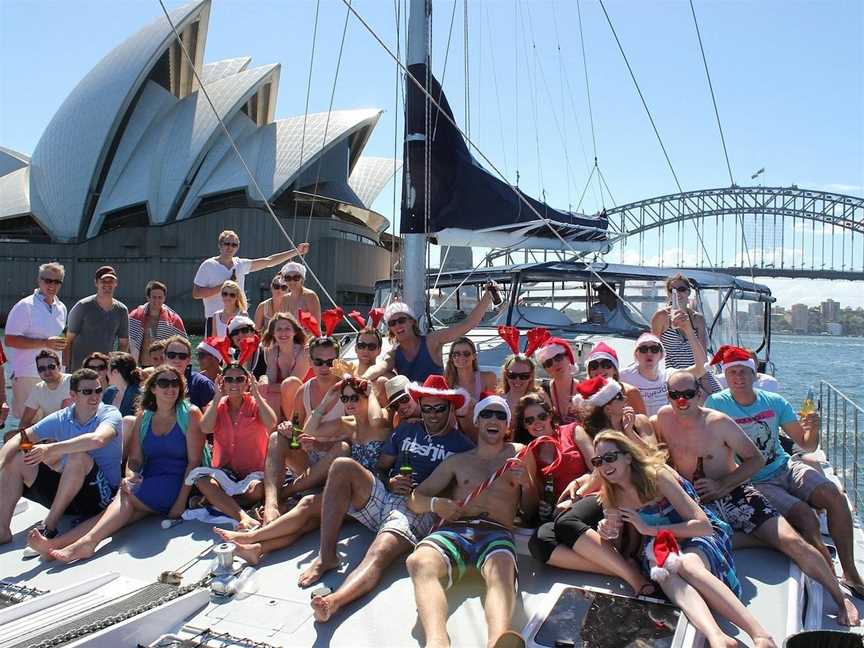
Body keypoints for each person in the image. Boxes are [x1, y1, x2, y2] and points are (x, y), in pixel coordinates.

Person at [655, 370, 858, 626]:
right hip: (698, 501)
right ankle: (759, 540)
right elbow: (647, 447)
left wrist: (721, 485)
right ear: (668, 396)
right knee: (697, 547)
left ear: (699, 394)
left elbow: (756, 459)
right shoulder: (662, 419)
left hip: (736, 493)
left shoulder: (719, 422)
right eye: (675, 395)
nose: (682, 400)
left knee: (792, 542)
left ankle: (840, 598)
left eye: (688, 394)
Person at [301, 375, 475, 623]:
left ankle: (334, 601)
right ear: (420, 407)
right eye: (427, 408)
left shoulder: (463, 446)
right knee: (342, 465)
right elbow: (381, 467)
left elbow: (462, 490)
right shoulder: (406, 429)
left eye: (440, 408)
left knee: (378, 552)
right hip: (386, 496)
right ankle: (327, 555)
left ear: (451, 408)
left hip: (418, 508)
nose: (433, 414)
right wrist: (389, 482)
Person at [704, 345, 864, 600]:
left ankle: (851, 572)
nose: (738, 377)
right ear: (725, 375)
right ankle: (828, 572)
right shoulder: (716, 403)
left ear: (754, 374)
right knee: (805, 516)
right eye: (732, 372)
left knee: (834, 495)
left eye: (744, 372)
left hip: (785, 466)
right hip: (753, 478)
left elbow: (807, 444)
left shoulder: (775, 402)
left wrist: (814, 426)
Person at [593, 431, 777, 648]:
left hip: (695, 532)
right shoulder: (611, 496)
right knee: (665, 574)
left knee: (687, 565)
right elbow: (617, 540)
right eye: (598, 461)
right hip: (660, 544)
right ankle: (717, 636)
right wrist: (606, 531)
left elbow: (702, 525)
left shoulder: (657, 477)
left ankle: (760, 634)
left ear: (628, 457)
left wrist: (648, 529)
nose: (604, 465)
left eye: (610, 458)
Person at [31, 366, 205, 563]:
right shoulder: (144, 416)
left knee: (122, 502)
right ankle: (62, 544)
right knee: (119, 511)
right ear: (153, 389)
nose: (171, 388)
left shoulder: (190, 413)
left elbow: (194, 462)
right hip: (150, 479)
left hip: (178, 482)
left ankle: (81, 543)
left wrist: (180, 503)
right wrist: (129, 476)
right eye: (164, 383)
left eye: (175, 383)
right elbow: (135, 459)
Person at [213, 376, 391, 565]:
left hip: (368, 493)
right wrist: (328, 398)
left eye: (354, 398)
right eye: (344, 398)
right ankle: (257, 549)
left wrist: (370, 391)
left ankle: (250, 537)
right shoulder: (348, 422)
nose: (348, 402)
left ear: (367, 397)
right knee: (308, 522)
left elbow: (376, 419)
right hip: (345, 488)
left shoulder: (382, 418)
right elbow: (310, 430)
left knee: (307, 504)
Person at [406, 394, 538, 648]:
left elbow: (530, 511)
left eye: (501, 415)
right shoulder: (459, 461)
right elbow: (415, 498)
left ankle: (498, 640)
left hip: (496, 531)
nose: (493, 419)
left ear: (507, 425)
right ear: (477, 421)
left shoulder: (520, 454)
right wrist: (437, 504)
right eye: (487, 414)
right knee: (418, 561)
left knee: (501, 568)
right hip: (455, 530)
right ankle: (437, 641)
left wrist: (527, 484)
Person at [519, 393, 654, 597]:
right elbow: (536, 493)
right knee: (540, 541)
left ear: (550, 415)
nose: (536, 423)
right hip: (562, 510)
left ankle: (635, 580)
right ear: (525, 426)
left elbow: (600, 467)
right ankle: (624, 568)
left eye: (541, 416)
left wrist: (578, 494)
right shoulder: (530, 451)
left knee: (566, 520)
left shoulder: (573, 431)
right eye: (529, 420)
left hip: (596, 494)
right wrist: (541, 504)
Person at [0, 368, 122, 544]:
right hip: (69, 495)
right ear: (73, 395)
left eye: (98, 390)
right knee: (18, 457)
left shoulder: (110, 414)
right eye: (87, 392)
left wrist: (50, 450)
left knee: (78, 457)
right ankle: (2, 530)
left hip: (101, 497)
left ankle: (49, 527)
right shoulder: (62, 417)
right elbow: (22, 437)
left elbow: (98, 440)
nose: (95, 396)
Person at [363, 284, 499, 383]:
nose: (397, 325)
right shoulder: (394, 354)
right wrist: (362, 380)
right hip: (410, 404)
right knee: (383, 378)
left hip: (436, 405)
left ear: (412, 322)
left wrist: (488, 296)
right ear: (390, 329)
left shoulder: (432, 341)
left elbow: (467, 324)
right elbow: (379, 367)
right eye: (392, 323)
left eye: (401, 320)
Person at [192, 229, 310, 320]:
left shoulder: (240, 264)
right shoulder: (208, 265)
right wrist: (224, 286)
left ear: (237, 247)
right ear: (220, 245)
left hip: (238, 318)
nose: (230, 247)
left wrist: (296, 251)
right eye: (227, 243)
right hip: (215, 318)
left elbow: (269, 261)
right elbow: (197, 293)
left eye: (234, 245)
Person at [4, 262, 67, 419]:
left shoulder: (62, 308)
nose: (52, 285)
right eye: (48, 280)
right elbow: (10, 340)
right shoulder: (25, 306)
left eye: (57, 281)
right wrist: (45, 343)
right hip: (27, 375)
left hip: (54, 376)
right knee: (26, 429)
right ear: (39, 281)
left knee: (52, 427)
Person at [650, 273, 720, 394]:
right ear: (669, 294)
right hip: (674, 374)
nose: (677, 293)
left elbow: (702, 354)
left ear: (688, 292)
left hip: (700, 372)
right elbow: (651, 349)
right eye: (672, 290)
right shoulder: (661, 317)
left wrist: (703, 380)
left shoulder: (697, 319)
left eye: (681, 289)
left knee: (720, 400)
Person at [619, 327, 706, 416]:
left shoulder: (670, 376)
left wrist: (689, 331)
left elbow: (701, 369)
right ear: (636, 354)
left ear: (661, 355)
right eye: (643, 349)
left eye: (654, 349)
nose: (649, 353)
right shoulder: (623, 376)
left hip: (663, 426)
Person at [65, 266, 129, 371]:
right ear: (96, 283)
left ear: (116, 284)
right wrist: (65, 367)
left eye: (111, 281)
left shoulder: (122, 310)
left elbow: (124, 343)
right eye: (103, 281)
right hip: (80, 369)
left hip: (104, 370)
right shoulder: (82, 306)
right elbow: (68, 339)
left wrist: (118, 367)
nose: (107, 284)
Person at [260, 312, 309, 420]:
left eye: (287, 328)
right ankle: (273, 432)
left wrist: (263, 387)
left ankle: (294, 428)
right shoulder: (272, 351)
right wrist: (263, 381)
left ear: (295, 331)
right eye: (279, 329)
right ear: (273, 333)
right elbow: (271, 378)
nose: (283, 333)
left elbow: (294, 385)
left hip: (305, 398)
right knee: (272, 397)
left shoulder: (304, 351)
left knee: (289, 384)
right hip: (282, 399)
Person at [127, 280, 187, 367]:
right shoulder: (134, 317)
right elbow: (128, 343)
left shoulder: (174, 320)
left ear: (164, 298)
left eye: (160, 297)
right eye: (154, 297)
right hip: (142, 367)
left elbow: (184, 345)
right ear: (148, 298)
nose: (157, 300)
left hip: (164, 367)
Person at [11, 350, 70, 435]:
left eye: (51, 367)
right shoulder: (38, 388)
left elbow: (65, 419)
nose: (47, 371)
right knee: (9, 437)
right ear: (38, 371)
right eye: (42, 368)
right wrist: (23, 437)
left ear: (59, 367)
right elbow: (24, 422)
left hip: (70, 430)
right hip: (49, 430)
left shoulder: (70, 381)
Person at [584, 341, 646, 414]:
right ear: (589, 372)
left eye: (606, 365)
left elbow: (643, 422)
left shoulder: (630, 393)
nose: (600, 370)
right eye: (594, 366)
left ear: (615, 370)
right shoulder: (584, 394)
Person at [535, 336, 580, 424]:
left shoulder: (584, 390)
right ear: (546, 369)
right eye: (549, 363)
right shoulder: (542, 392)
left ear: (568, 358)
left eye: (558, 357)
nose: (555, 364)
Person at [163, 335, 215, 410]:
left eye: (182, 356)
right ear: (164, 357)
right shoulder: (155, 382)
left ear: (189, 360)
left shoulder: (202, 384)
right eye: (172, 355)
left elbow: (210, 419)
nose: (177, 360)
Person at [497, 354, 549, 427]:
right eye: (512, 375)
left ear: (531, 376)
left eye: (524, 376)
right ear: (506, 375)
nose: (517, 380)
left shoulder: (541, 397)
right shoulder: (499, 399)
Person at [102, 352, 143, 417]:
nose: (106, 373)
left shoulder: (138, 394)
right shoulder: (108, 392)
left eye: (108, 369)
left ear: (115, 372)